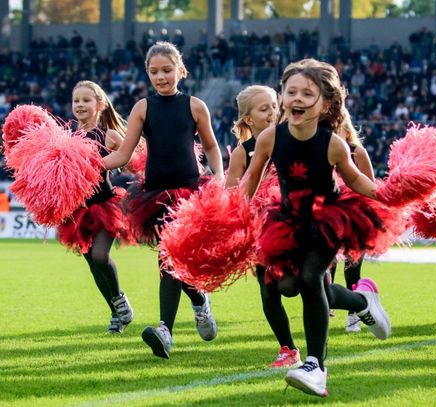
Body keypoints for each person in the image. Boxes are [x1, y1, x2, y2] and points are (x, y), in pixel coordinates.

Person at [241, 59, 391, 397]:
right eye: (291, 91)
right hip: (288, 221)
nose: (297, 98)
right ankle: (362, 301)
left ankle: (315, 366)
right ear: (282, 96)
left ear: (325, 104)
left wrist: (388, 192)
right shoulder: (270, 138)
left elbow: (356, 180)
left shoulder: (333, 144)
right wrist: (228, 212)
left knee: (311, 278)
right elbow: (250, 180)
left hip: (327, 219)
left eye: (307, 94)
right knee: (289, 287)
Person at [102, 41, 224, 359]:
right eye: (154, 71)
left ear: (180, 70)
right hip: (155, 197)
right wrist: (88, 164)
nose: (161, 77)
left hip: (189, 194)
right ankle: (199, 302)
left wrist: (219, 175)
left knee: (170, 258)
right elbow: (123, 154)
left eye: (167, 70)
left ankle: (165, 330)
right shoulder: (143, 108)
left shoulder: (195, 106)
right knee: (173, 260)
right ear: (147, 73)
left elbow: (211, 146)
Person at [225, 85, 301, 369]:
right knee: (268, 287)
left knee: (293, 287)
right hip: (261, 231)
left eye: (274, 106)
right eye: (264, 108)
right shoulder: (242, 152)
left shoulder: (292, 138)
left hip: (295, 225)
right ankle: (288, 349)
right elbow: (232, 193)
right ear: (248, 119)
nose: (272, 112)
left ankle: (360, 302)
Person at [56, 80, 134, 334]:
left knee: (100, 255)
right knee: (92, 264)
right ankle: (116, 314)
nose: (80, 104)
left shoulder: (108, 135)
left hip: (105, 206)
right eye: (76, 100)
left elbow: (131, 159)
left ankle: (120, 300)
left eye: (86, 100)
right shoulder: (67, 138)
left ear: (99, 105)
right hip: (78, 211)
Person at [328, 109, 375, 333]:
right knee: (327, 265)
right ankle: (326, 306)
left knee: (352, 268)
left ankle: (353, 314)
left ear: (346, 129)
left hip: (355, 218)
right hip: (329, 218)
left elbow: (370, 185)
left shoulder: (358, 152)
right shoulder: (323, 150)